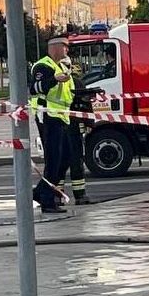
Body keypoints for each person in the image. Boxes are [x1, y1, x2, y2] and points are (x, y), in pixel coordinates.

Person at [29, 36, 74, 214]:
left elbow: (66, 93)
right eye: (65, 47)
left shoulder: (61, 66)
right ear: (55, 47)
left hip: (62, 118)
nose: (67, 51)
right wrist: (55, 79)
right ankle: (47, 201)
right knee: (53, 161)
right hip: (47, 117)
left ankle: (41, 192)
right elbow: (35, 88)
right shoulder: (43, 66)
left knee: (66, 158)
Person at [60, 56, 91, 205]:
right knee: (72, 161)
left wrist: (89, 122)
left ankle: (60, 195)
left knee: (64, 161)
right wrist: (90, 123)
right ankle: (78, 195)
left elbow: (85, 105)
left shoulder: (72, 83)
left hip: (62, 126)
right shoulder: (75, 83)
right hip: (68, 127)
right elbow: (86, 106)